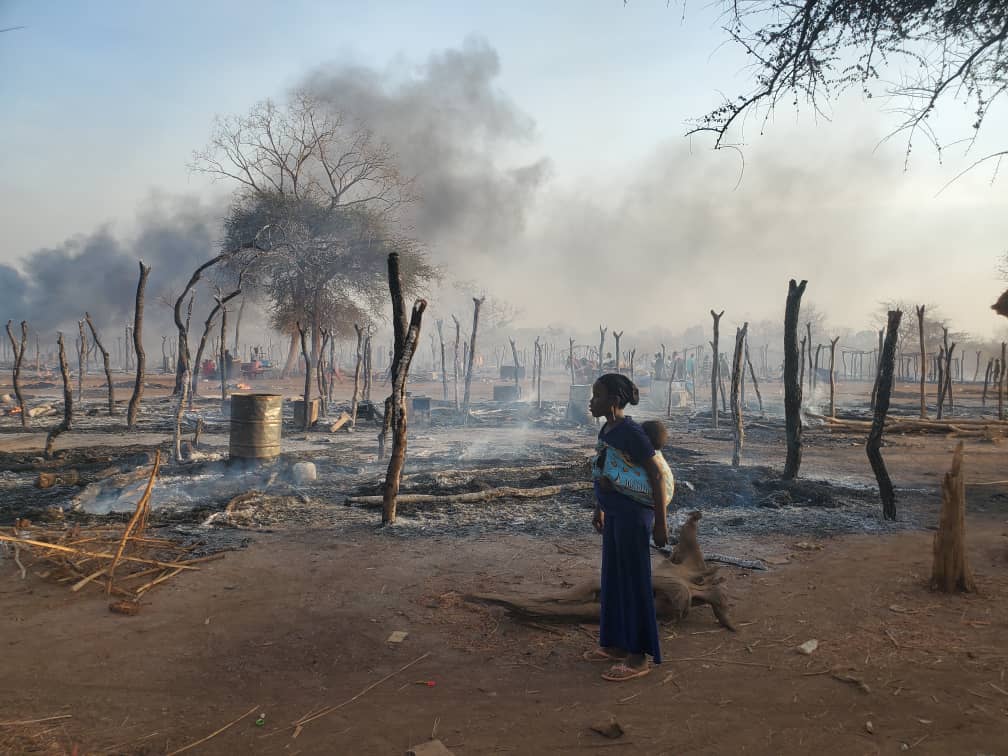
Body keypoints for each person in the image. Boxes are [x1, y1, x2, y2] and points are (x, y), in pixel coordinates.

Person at [586, 373, 669, 681]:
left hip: (634, 517)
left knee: (634, 583)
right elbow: (604, 469)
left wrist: (661, 524)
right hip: (615, 513)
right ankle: (617, 644)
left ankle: (639, 657)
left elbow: (656, 475)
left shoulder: (632, 432)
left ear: (613, 401)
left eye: (596, 396)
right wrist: (600, 507)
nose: (591, 402)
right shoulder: (608, 429)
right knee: (614, 579)